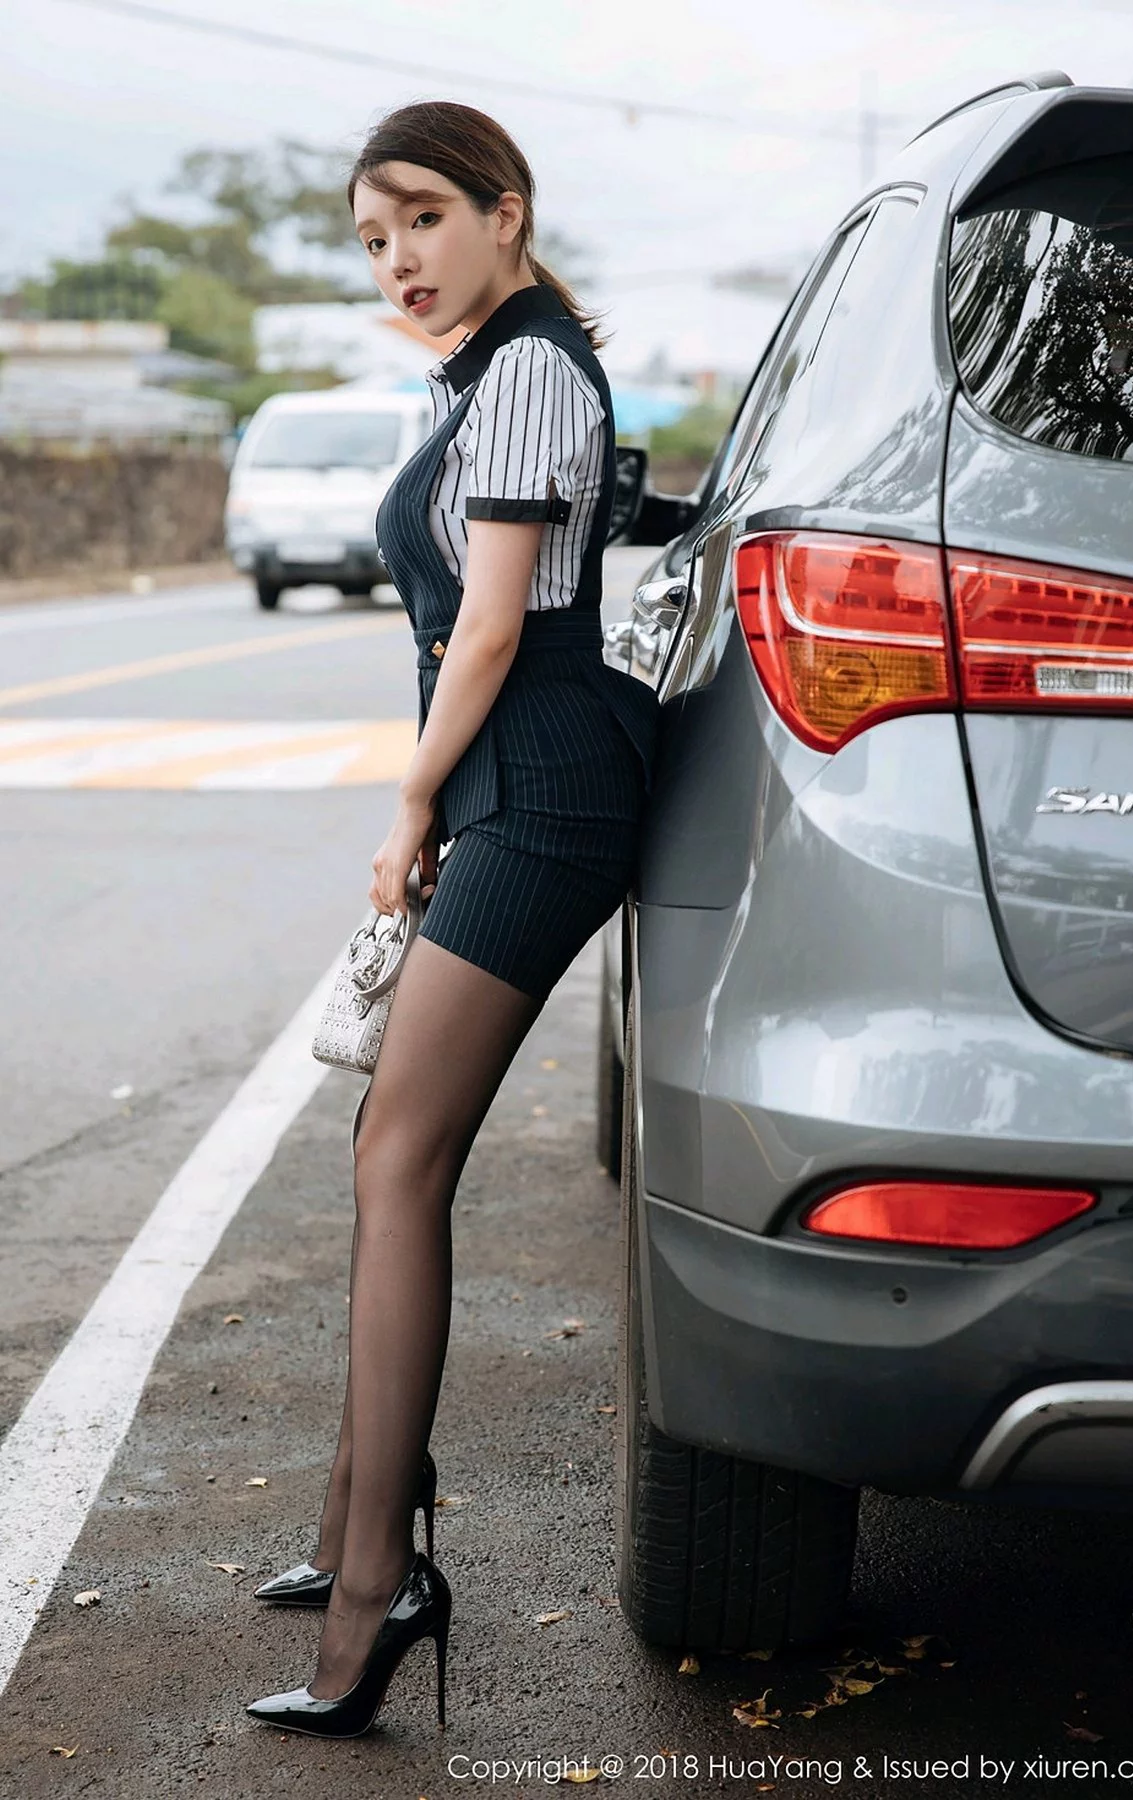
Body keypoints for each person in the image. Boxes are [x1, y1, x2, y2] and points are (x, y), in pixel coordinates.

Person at [244, 99, 660, 1740]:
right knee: (388, 1147)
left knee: (399, 1159)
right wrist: (436, 797)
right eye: (373, 237)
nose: (398, 258)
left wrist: (409, 808)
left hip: (541, 789)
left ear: (506, 212)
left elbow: (489, 632)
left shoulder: (535, 371)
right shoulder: (488, 374)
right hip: (508, 781)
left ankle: (379, 1589)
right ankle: (357, 1523)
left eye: (422, 217)